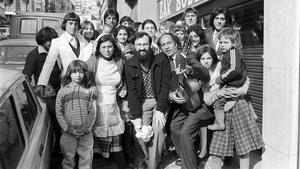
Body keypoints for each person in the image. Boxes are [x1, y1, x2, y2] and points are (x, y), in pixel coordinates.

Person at [158, 33, 212, 169]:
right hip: (181, 106)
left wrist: (189, 69)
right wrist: (171, 96)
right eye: (163, 44)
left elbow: (205, 74)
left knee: (185, 133)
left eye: (169, 43)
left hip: (196, 105)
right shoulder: (164, 62)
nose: (166, 46)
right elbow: (166, 85)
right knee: (174, 128)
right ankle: (188, 158)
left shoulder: (187, 57)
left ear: (175, 44)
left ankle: (189, 166)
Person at [125, 32, 171, 169]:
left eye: (145, 44)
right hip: (142, 102)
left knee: (158, 130)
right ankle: (148, 156)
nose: (142, 47)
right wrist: (137, 116)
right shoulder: (130, 64)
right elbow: (132, 92)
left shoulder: (161, 59)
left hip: (158, 100)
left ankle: (152, 165)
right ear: (134, 46)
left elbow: (165, 85)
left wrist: (160, 110)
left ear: (150, 44)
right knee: (141, 133)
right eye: (139, 44)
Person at [86, 34, 127, 169]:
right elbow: (83, 76)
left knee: (115, 139)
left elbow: (125, 77)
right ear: (99, 48)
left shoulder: (120, 60)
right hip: (96, 104)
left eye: (110, 46)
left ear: (114, 47)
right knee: (95, 141)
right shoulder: (93, 60)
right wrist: (91, 84)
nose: (107, 50)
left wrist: (124, 86)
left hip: (114, 104)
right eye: (103, 47)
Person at [22, 26, 61, 154]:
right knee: (54, 125)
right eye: (49, 41)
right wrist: (38, 90)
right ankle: (55, 152)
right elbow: (26, 77)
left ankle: (59, 149)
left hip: (60, 92)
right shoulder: (34, 55)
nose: (52, 43)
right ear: (42, 41)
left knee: (59, 123)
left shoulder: (55, 51)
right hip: (47, 97)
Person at [55, 60, 96, 169]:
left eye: (81, 72)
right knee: (68, 159)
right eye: (74, 72)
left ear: (85, 73)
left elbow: (92, 111)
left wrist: (86, 128)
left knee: (86, 160)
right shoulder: (62, 92)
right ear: (69, 73)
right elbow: (59, 112)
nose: (78, 75)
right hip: (68, 133)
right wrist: (69, 129)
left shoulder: (88, 91)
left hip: (86, 133)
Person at [35, 12, 86, 96]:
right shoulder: (57, 42)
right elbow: (49, 64)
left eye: (76, 24)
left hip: (83, 82)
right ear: (65, 25)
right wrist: (42, 84)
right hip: (67, 82)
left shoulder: (83, 40)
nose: (73, 26)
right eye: (70, 23)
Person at [206, 28, 247, 131]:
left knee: (218, 103)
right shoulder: (228, 53)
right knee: (218, 100)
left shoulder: (233, 53)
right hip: (231, 84)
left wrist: (221, 78)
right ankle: (219, 122)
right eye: (220, 42)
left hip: (234, 85)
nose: (222, 45)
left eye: (226, 42)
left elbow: (234, 70)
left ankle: (220, 124)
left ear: (234, 43)